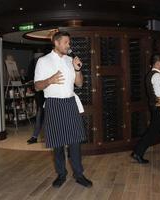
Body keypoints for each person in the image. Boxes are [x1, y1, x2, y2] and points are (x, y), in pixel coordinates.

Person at [34, 31, 92, 188]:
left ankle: (79, 175)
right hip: (54, 105)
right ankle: (61, 174)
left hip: (70, 103)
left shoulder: (70, 60)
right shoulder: (43, 61)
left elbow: (79, 84)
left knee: (75, 143)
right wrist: (50, 80)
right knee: (58, 144)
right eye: (66, 42)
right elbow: (37, 86)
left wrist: (78, 69)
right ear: (57, 43)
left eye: (69, 42)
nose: (69, 45)